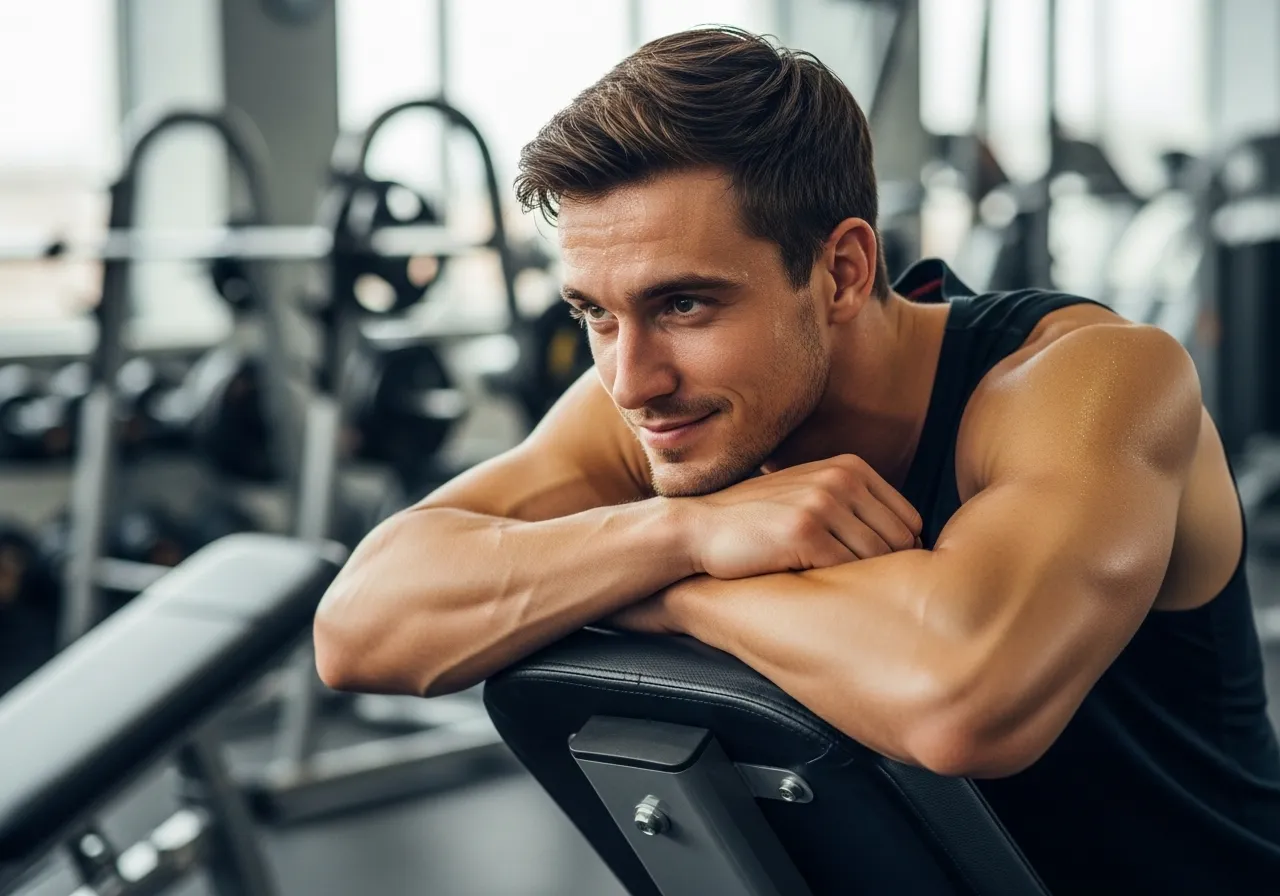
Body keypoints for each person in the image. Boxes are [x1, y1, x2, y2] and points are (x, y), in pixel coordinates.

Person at [314, 26, 1280, 893]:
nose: (630, 378)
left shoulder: (1092, 381)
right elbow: (358, 628)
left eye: (684, 304)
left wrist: (659, 586)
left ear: (843, 271)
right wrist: (686, 528)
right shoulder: (667, 409)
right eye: (594, 313)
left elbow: (960, 701)